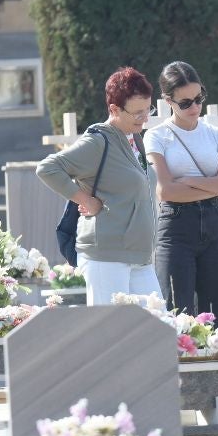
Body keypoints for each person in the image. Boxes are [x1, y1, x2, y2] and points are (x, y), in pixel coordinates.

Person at [36, 67, 157, 304]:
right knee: (110, 335)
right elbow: (47, 168)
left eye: (147, 110)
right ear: (114, 109)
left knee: (157, 329)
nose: (145, 119)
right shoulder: (97, 141)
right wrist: (86, 200)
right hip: (107, 257)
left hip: (140, 255)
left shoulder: (134, 138)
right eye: (137, 113)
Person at [143, 61, 218, 324]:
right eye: (185, 103)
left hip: (216, 223)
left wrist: (188, 181)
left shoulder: (215, 134)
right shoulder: (156, 136)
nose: (195, 108)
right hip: (176, 228)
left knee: (214, 318)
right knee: (179, 317)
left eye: (199, 99)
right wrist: (213, 181)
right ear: (168, 101)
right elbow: (166, 191)